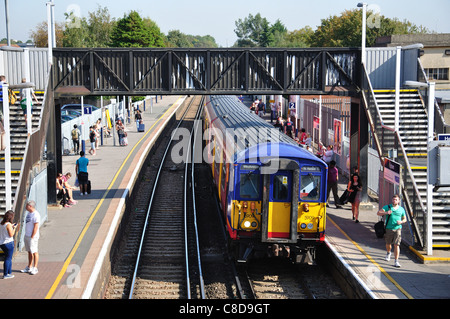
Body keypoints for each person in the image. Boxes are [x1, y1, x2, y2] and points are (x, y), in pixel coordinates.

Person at [377, 194, 407, 268]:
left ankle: (396, 261)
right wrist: (386, 213)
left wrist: (401, 222)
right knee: (388, 244)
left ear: (399, 201)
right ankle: (388, 252)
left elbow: (404, 219)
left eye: (396, 199)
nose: (394, 201)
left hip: (398, 228)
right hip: (389, 228)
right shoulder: (388, 207)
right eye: (393, 199)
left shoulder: (401, 209)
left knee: (397, 244)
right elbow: (378, 213)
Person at [21, 201, 40, 275]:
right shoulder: (29, 213)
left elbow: (36, 226)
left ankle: (35, 267)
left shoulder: (36, 215)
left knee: (34, 251)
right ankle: (29, 266)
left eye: (26, 206)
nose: (25, 207)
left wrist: (32, 236)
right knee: (29, 251)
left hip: (33, 236)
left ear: (30, 206)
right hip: (27, 235)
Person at [0, 210, 18, 279]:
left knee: (8, 258)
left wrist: (11, 226)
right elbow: (11, 234)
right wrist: (14, 228)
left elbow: (6, 229)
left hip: (2, 243)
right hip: (8, 243)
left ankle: (9, 272)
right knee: (8, 258)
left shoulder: (2, 223)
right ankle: (6, 274)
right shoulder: (8, 225)